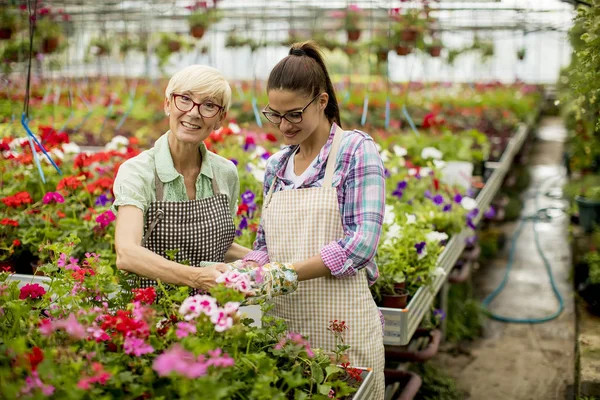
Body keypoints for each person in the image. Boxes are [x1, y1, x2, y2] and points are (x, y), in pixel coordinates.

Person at [242, 41, 386, 399]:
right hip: (285, 328)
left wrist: (284, 274)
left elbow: (362, 243)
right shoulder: (277, 166)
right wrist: (246, 270)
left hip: (342, 330)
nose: (283, 125)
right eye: (274, 114)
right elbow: (265, 245)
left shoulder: (355, 150)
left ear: (322, 102)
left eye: (294, 114)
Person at [112, 65, 250, 292]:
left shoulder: (225, 172)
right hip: (156, 313)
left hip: (214, 313)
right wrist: (196, 278)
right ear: (168, 104)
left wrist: (266, 259)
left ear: (220, 119)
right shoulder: (138, 171)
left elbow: (218, 247)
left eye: (209, 105)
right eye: (184, 99)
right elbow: (127, 253)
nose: (194, 112)